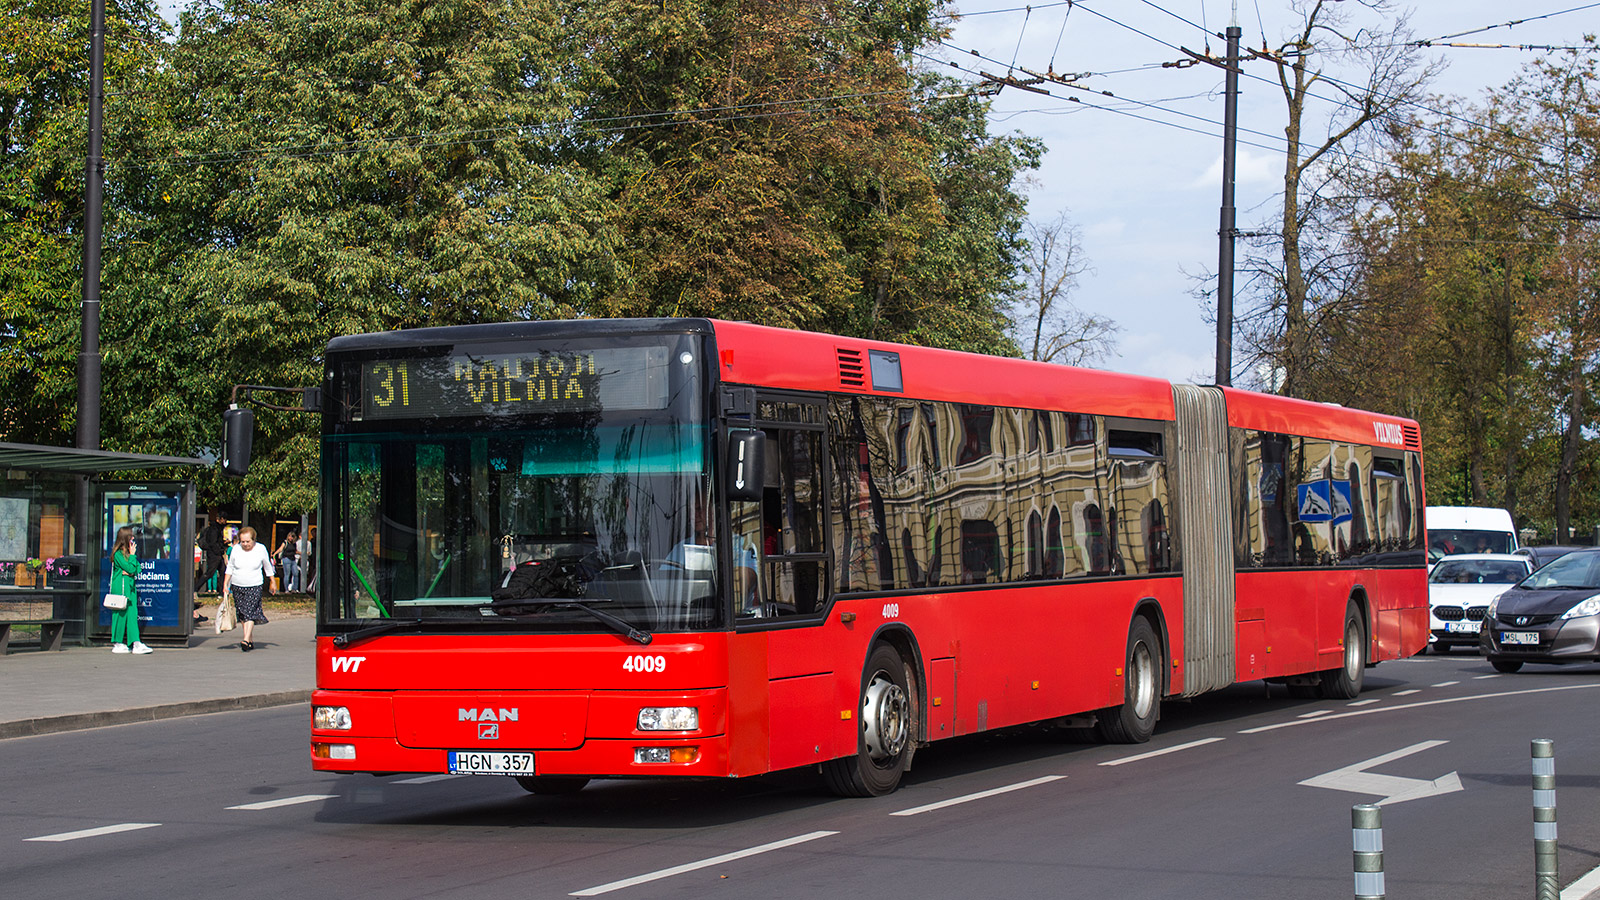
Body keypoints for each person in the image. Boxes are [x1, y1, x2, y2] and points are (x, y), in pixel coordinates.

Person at [222, 526, 275, 652]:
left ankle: (245, 639)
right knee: (242, 613)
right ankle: (249, 640)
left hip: (254, 584)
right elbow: (230, 567)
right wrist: (225, 584)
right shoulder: (235, 549)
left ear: (253, 540)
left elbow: (267, 566)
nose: (245, 544)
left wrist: (272, 581)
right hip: (237, 584)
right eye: (243, 542)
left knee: (250, 612)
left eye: (248, 542)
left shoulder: (260, 549)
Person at [109, 525, 153, 655]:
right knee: (120, 615)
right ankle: (117, 642)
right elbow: (131, 569)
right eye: (131, 536)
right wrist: (131, 565)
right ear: (125, 538)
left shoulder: (128, 554)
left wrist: (130, 568)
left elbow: (136, 569)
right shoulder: (118, 554)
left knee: (132, 615)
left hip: (130, 588)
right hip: (121, 588)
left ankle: (136, 643)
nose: (133, 538)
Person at [275, 528, 301, 593]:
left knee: (296, 573)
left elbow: (295, 551)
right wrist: (275, 554)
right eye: (289, 536)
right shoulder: (285, 542)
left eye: (292, 537)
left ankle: (294, 589)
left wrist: (303, 553)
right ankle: (286, 589)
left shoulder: (294, 544)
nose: (290, 538)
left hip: (293, 559)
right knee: (287, 574)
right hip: (286, 559)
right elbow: (281, 549)